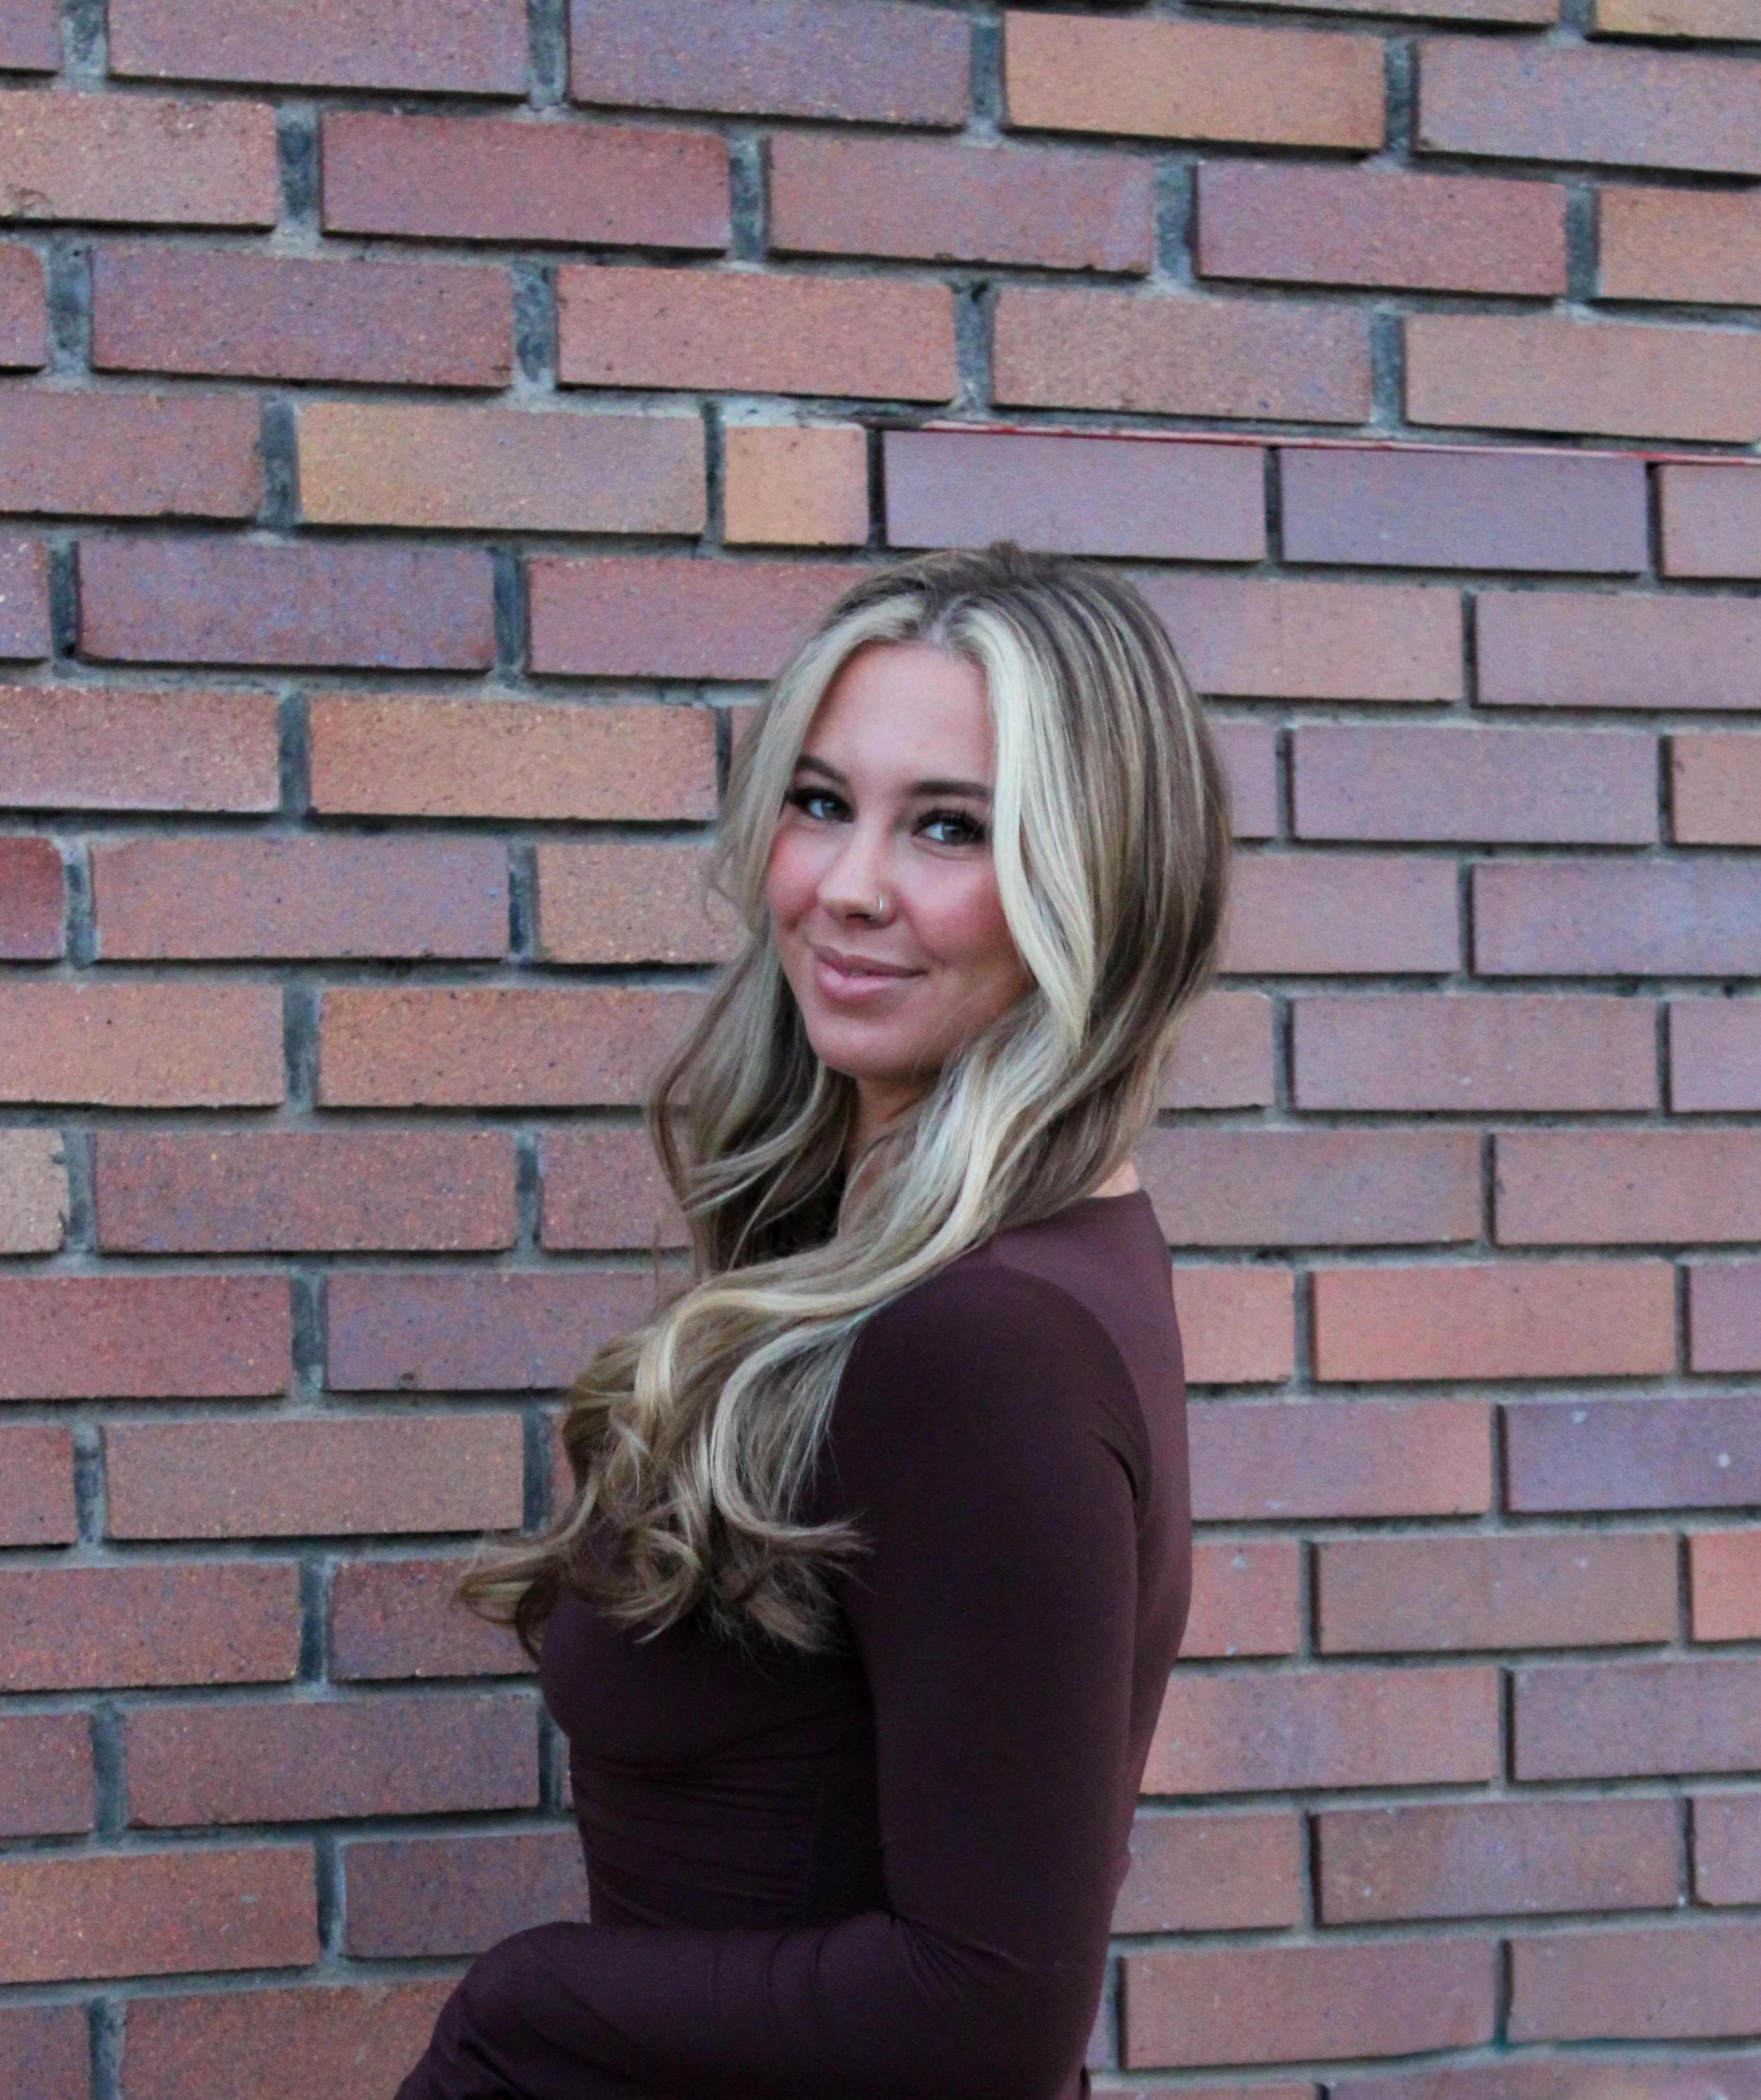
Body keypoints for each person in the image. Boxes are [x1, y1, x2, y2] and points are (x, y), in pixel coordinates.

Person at [394, 544, 1232, 2100]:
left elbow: (987, 2018)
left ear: (1096, 883)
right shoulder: (967, 1256)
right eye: (822, 802)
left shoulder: (989, 1339)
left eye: (950, 827)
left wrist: (526, 2006)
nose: (849, 885)